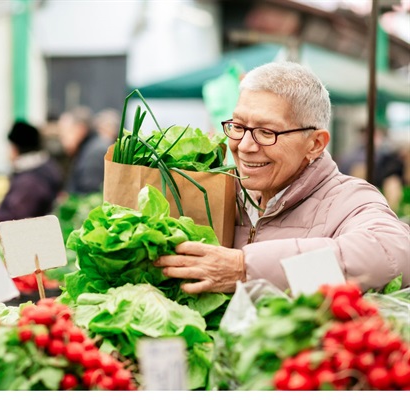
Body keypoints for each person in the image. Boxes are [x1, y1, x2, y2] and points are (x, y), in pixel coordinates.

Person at [154, 61, 410, 294]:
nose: (244, 146)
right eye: (238, 127)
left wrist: (246, 270)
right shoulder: (216, 190)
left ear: (315, 144)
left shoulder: (347, 199)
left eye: (266, 132)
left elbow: (394, 254)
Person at [0, 120, 63, 245]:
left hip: (28, 244)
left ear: (15, 148)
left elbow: (14, 219)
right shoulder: (44, 168)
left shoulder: (30, 181)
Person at [338, 125, 405, 213]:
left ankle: (390, 212)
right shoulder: (354, 154)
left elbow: (393, 168)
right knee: (360, 170)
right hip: (360, 181)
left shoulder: (386, 152)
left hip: (382, 178)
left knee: (392, 182)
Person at [58, 106, 118, 195]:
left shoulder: (94, 153)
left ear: (80, 129)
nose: (62, 141)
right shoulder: (89, 148)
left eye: (64, 134)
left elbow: (90, 194)